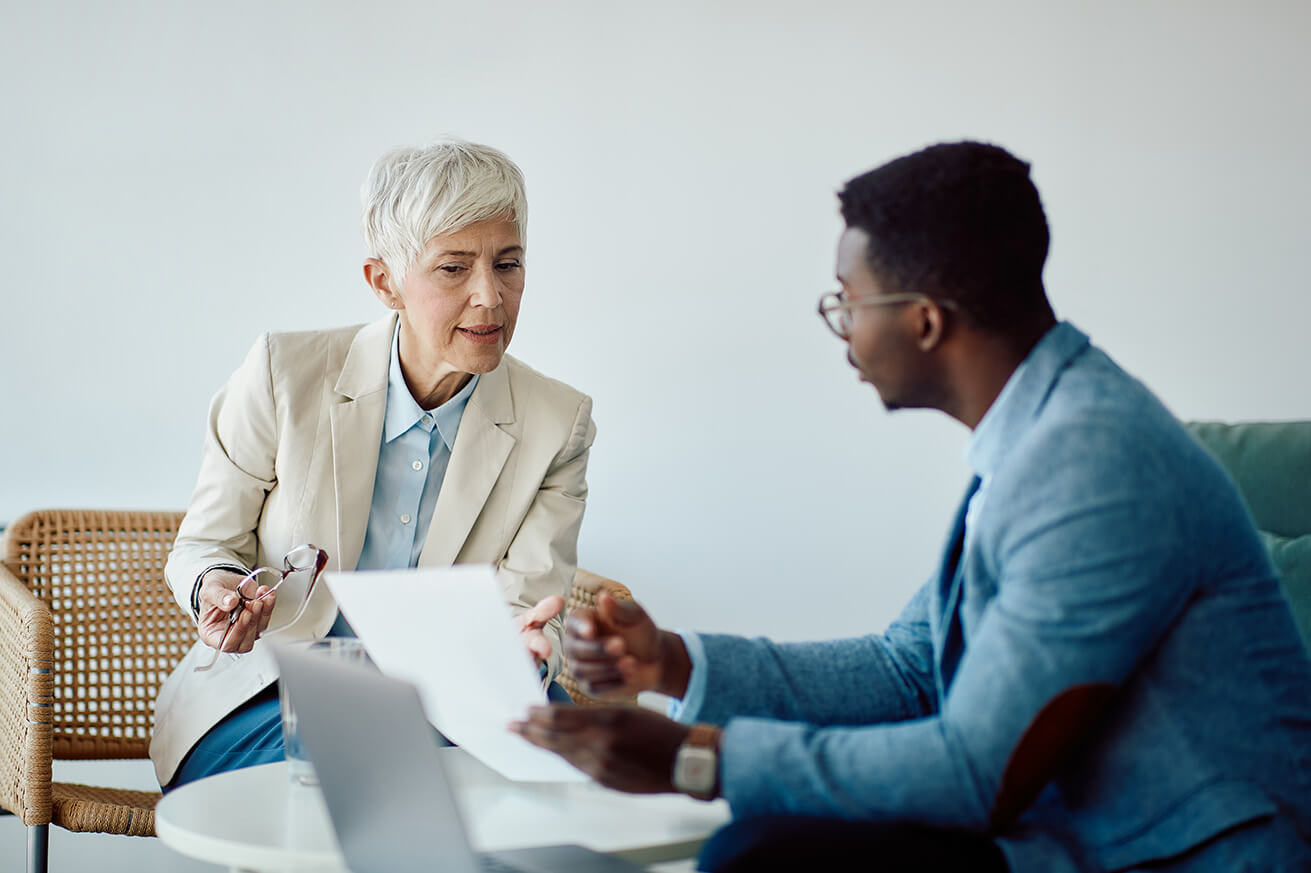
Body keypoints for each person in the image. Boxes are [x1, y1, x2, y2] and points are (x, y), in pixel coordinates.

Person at [512, 142, 1311, 871]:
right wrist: (672, 660)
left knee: (759, 856)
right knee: (762, 849)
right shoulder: (1034, 437)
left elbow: (973, 771)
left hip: (1177, 855)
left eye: (847, 302)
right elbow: (908, 666)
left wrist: (698, 757)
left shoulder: (1094, 462)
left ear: (924, 320)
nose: (843, 330)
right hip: (1075, 833)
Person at [152, 139, 595, 790]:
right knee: (395, 772)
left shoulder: (558, 422)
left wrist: (528, 644)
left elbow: (528, 606)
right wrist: (217, 587)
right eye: (453, 268)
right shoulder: (284, 375)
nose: (490, 297)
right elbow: (205, 542)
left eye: (508, 263)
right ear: (384, 281)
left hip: (456, 700)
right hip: (273, 691)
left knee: (559, 783)